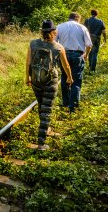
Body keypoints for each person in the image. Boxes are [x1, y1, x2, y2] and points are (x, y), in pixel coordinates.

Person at [26, 20, 73, 150]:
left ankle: (47, 129)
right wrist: (69, 77)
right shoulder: (58, 47)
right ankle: (41, 143)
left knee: (42, 106)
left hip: (36, 79)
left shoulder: (33, 44)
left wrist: (27, 77)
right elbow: (66, 65)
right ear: (54, 32)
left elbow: (28, 63)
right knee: (47, 110)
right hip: (50, 81)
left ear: (42, 32)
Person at [56, 12, 92, 113]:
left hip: (63, 55)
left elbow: (54, 42)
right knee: (76, 79)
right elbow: (89, 45)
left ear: (69, 18)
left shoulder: (59, 27)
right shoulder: (82, 28)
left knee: (64, 77)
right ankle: (73, 105)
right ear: (78, 19)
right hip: (77, 55)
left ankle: (66, 102)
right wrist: (86, 55)